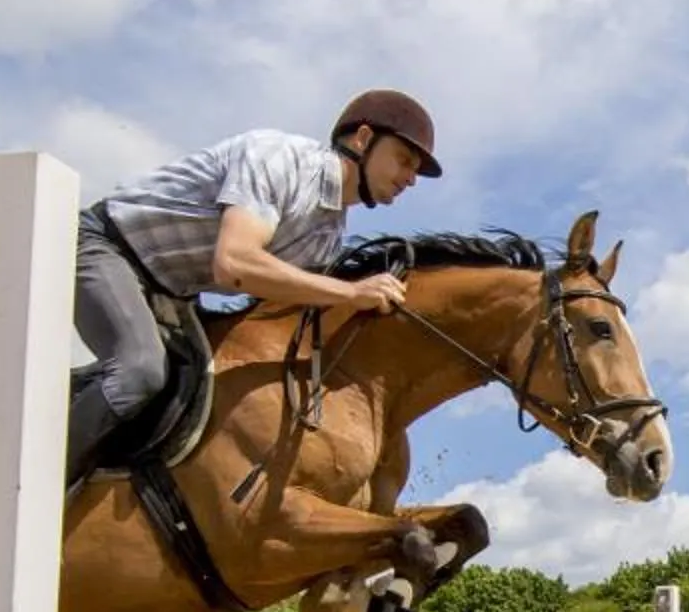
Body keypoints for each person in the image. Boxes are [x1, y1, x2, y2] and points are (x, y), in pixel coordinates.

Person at [67, 89, 442, 484]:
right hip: (106, 246)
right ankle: (28, 489)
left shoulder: (328, 235)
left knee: (197, 391)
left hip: (170, 294)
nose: (411, 179)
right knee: (140, 371)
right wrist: (351, 292)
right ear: (363, 139)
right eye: (404, 160)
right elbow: (235, 264)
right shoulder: (279, 158)